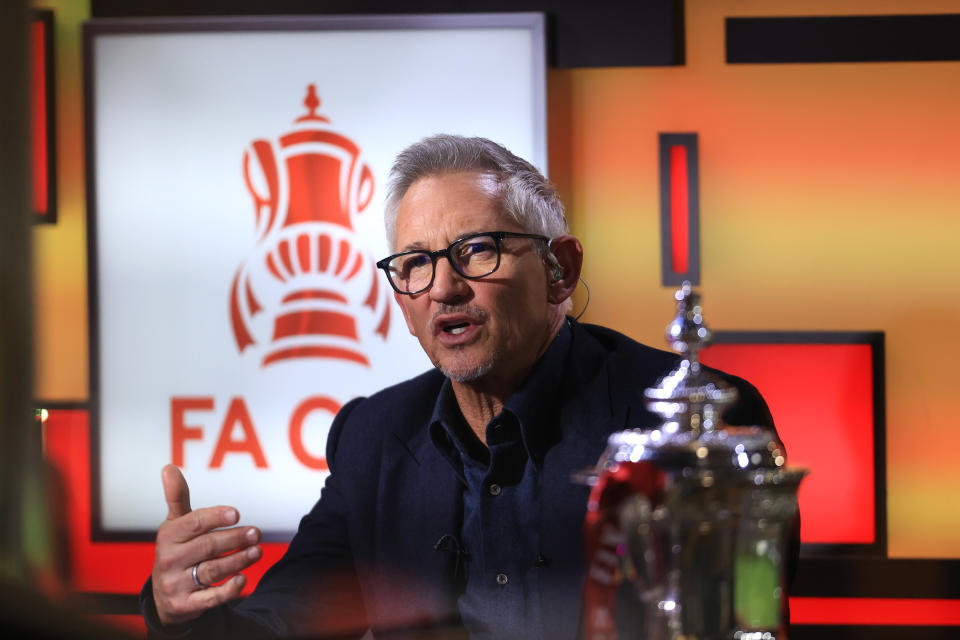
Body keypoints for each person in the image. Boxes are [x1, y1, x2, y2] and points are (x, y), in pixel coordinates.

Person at [141, 135, 778, 639]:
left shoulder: (693, 424)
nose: (443, 287)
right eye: (415, 263)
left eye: (477, 250)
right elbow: (283, 622)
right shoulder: (374, 438)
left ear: (562, 270)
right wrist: (180, 609)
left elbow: (731, 620)